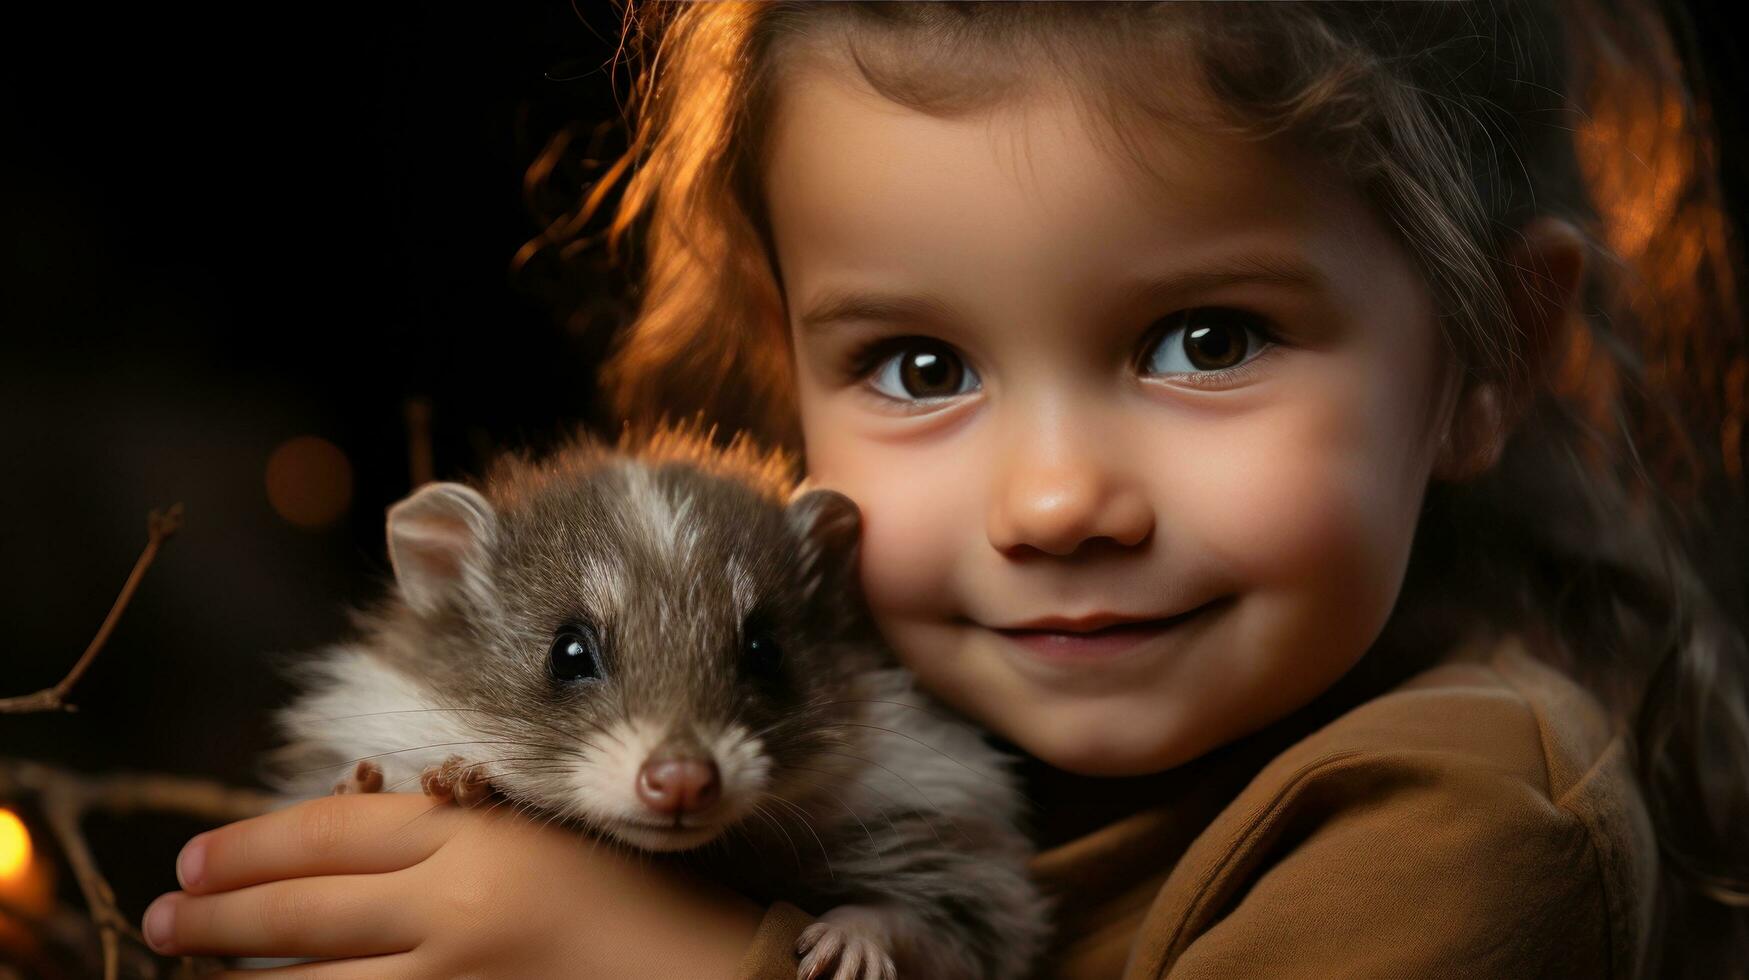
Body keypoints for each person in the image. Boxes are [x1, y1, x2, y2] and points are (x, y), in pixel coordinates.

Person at [139, 2, 1749, 977]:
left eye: (1206, 337)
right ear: (789, 379)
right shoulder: (876, 711)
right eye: (918, 367)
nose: (1053, 502)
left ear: (1489, 353)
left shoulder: (1464, 828)